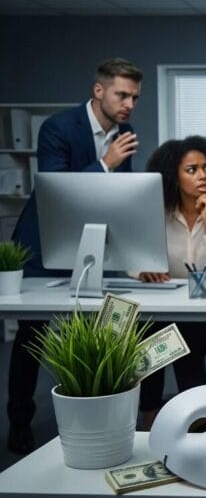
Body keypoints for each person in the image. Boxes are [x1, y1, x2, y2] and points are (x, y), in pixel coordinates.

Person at [5, 58, 142, 454]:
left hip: (96, 242)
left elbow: (120, 195)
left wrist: (132, 252)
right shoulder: (58, 128)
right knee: (32, 334)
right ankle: (19, 422)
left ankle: (100, 415)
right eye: (122, 95)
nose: (129, 104)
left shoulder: (125, 132)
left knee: (106, 328)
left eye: (135, 97)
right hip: (46, 241)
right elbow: (55, 191)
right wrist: (105, 164)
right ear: (98, 91)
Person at [134, 136, 206, 427]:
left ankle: (195, 418)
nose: (203, 175)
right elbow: (132, 257)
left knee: (179, 334)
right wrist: (142, 271)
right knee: (149, 330)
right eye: (192, 170)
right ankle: (153, 417)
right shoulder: (157, 213)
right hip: (163, 310)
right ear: (173, 176)